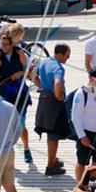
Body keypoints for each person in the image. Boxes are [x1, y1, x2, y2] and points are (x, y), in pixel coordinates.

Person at [0, 34, 33, 164]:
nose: (4, 47)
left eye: (6, 44)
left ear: (12, 44)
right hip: (5, 93)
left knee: (21, 123)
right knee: (6, 124)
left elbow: (28, 71)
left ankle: (26, 148)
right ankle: (8, 151)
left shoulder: (20, 54)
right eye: (2, 44)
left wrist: (20, 73)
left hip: (20, 91)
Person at [30, 43, 71, 176]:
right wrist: (60, 96)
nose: (68, 58)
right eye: (67, 55)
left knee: (50, 134)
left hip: (44, 98)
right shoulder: (59, 68)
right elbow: (58, 83)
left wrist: (41, 86)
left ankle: (52, 161)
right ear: (60, 54)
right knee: (54, 136)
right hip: (54, 102)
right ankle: (51, 166)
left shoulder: (45, 62)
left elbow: (32, 75)